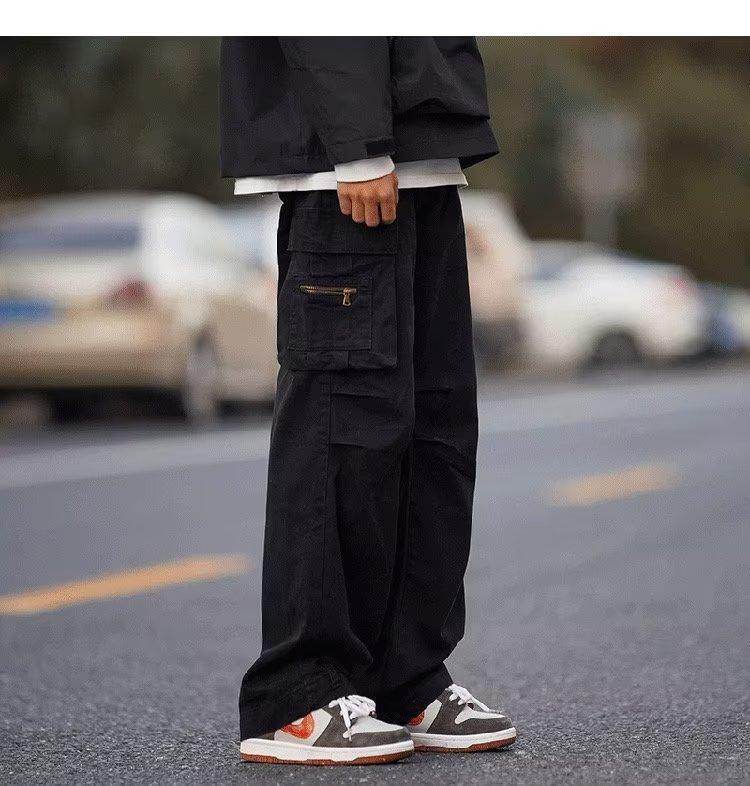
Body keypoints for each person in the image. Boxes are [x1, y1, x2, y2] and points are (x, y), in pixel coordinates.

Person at [220, 36, 517, 766]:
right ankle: (296, 693)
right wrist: (355, 145)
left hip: (424, 156)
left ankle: (404, 675)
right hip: (352, 164)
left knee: (432, 431)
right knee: (339, 432)